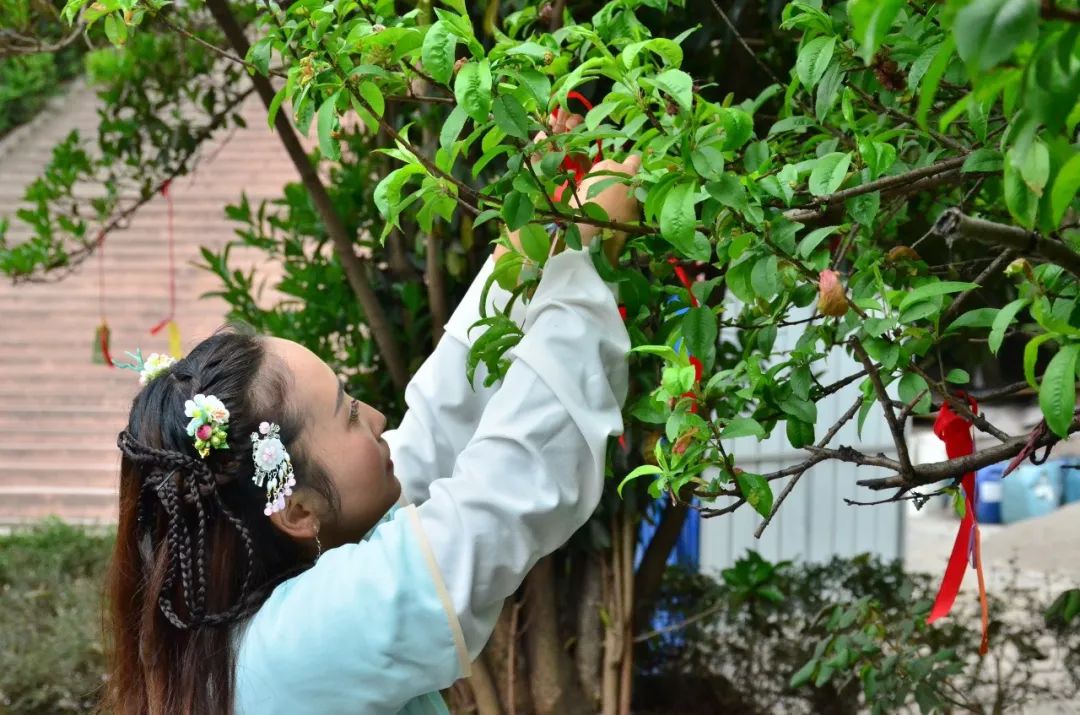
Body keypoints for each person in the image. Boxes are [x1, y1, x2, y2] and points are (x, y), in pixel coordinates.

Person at [102, 118, 641, 714]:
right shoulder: (296, 646)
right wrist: (581, 257)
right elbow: (501, 501)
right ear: (296, 509)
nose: (380, 417)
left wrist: (528, 252)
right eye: (349, 414)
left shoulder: (239, 626)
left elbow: (436, 430)